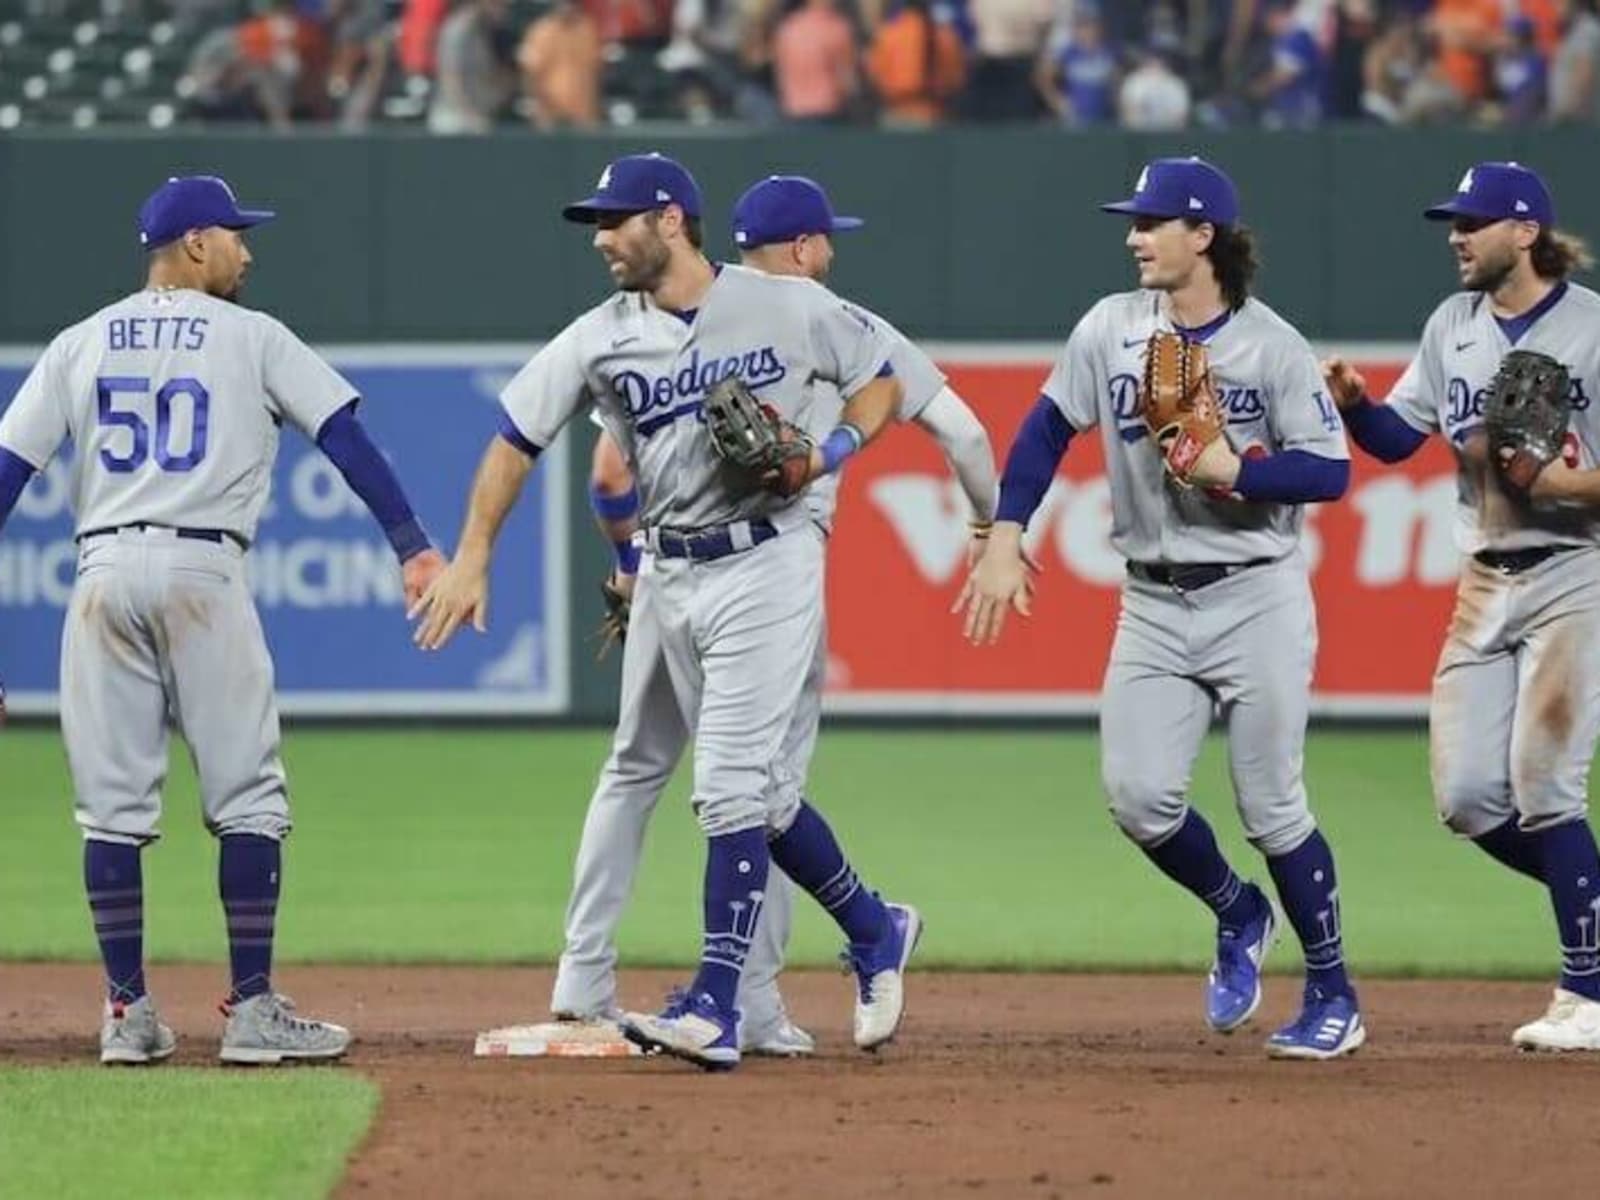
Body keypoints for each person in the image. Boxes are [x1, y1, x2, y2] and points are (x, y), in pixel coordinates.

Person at [409, 154, 922, 1071]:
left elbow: (881, 376)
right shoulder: (597, 337)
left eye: (616, 221)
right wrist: (476, 551)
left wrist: (828, 450)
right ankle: (873, 925)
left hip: (767, 560)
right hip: (668, 572)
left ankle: (719, 1008)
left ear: (672, 220)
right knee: (756, 796)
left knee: (725, 785)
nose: (602, 239)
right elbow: (514, 439)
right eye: (596, 225)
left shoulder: (784, 302)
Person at [550, 173, 997, 1057]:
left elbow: (609, 475)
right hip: (777, 569)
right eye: (824, 239)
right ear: (800, 249)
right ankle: (800, 967)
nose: (831, 252)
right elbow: (968, 434)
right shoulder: (841, 320)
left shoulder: (665, 336)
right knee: (755, 786)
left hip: (682, 569)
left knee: (675, 775)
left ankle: (628, 981)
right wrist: (989, 526)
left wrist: (631, 563)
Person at [0, 175, 444, 1064]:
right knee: (248, 797)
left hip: (100, 574)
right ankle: (248, 1010)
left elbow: (6, 475)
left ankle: (126, 1015)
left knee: (111, 813)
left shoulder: (79, 343)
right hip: (204, 570)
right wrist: (414, 547)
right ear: (196, 244)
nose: (248, 249)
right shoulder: (252, 335)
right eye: (237, 235)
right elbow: (345, 438)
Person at [958, 156, 1366, 1060]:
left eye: (1151, 223)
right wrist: (1004, 530)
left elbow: (1332, 469)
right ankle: (1237, 908)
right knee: (1139, 799)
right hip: (1150, 598)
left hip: (1254, 592)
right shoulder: (1111, 326)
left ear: (1203, 236)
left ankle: (1335, 990)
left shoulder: (1272, 346)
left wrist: (1242, 471)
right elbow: (1045, 428)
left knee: (1272, 809)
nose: (1134, 236)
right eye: (1134, 222)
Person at [1324, 161, 1600, 1051]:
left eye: (1473, 221)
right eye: (1453, 221)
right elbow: (1401, 440)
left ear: (1525, 232)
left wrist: (1566, 483)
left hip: (1575, 567)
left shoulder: (1592, 326)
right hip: (1483, 579)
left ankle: (1588, 992)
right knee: (1471, 798)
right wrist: (1357, 407)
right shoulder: (1453, 324)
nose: (1456, 235)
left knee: (1544, 782)